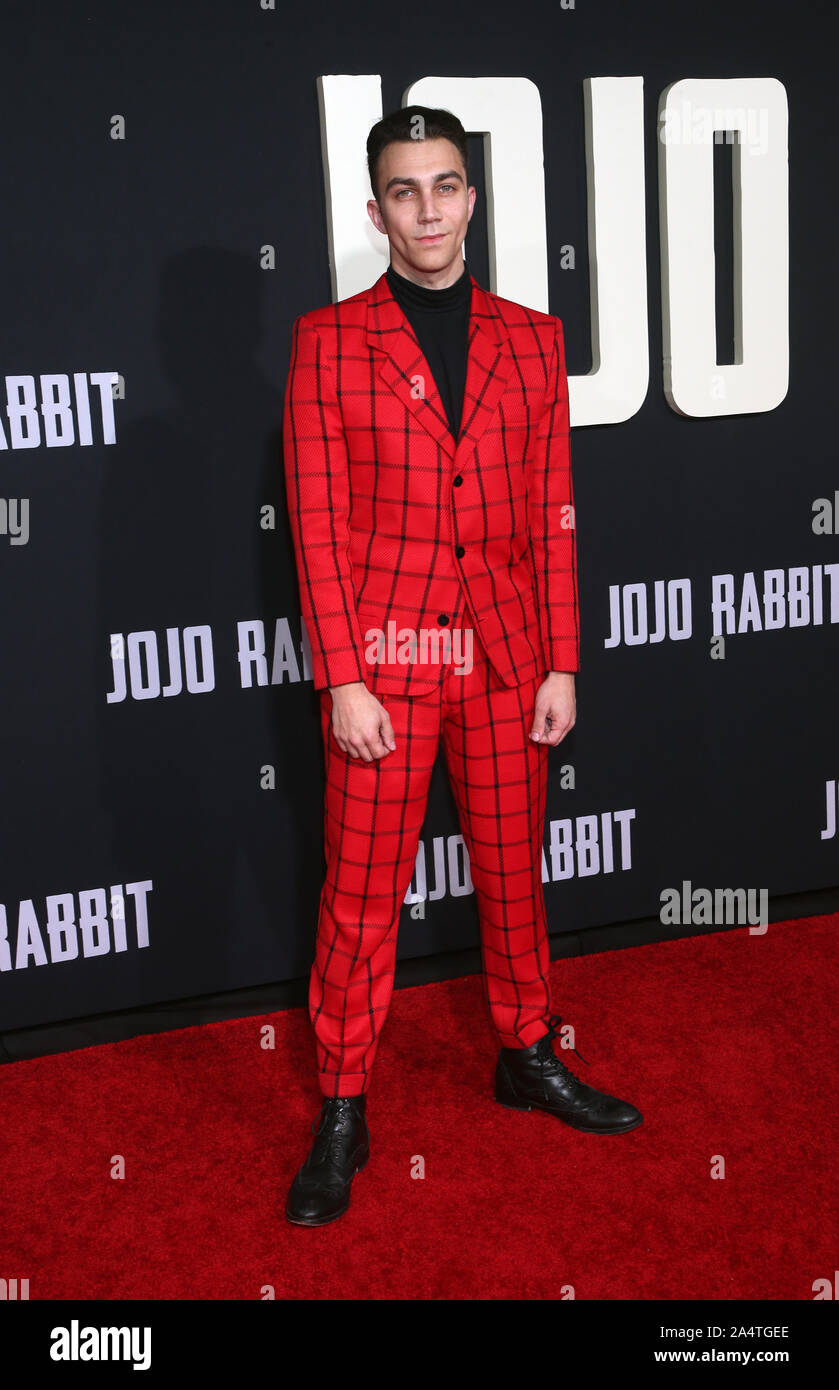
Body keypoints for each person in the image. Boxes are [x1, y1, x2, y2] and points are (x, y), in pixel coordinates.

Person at [281, 104, 641, 1227]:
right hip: (385, 657)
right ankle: (342, 1102)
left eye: (445, 185)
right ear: (374, 206)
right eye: (404, 189)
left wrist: (561, 661)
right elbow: (315, 522)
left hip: (503, 653)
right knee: (358, 899)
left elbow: (553, 515)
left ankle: (525, 1051)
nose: (427, 208)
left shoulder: (531, 338)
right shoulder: (326, 340)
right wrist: (342, 676)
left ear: (471, 199)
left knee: (511, 870)